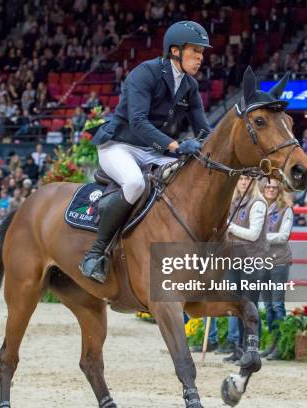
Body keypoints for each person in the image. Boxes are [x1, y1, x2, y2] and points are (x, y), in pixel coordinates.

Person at [81, 20, 212, 283]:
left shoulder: (190, 86)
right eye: (195, 52)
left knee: (183, 182)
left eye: (201, 53)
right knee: (134, 183)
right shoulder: (145, 73)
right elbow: (139, 122)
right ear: (175, 51)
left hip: (153, 150)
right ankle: (96, 253)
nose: (200, 58)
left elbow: (204, 131)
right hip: (120, 145)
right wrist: (176, 146)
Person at [217, 175, 268, 363]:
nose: (244, 182)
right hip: (235, 259)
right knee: (238, 306)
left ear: (253, 182)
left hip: (252, 260)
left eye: (247, 179)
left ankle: (252, 348)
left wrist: (230, 226)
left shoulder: (258, 203)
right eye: (241, 179)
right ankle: (240, 348)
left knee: (249, 305)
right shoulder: (234, 202)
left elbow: (253, 234)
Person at [259, 179, 293, 360]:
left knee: (278, 305)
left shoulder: (285, 209)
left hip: (279, 262)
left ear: (279, 189)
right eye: (268, 186)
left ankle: (281, 344)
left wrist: (261, 236)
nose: (270, 189)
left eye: (274, 187)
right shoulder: (258, 207)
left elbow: (284, 236)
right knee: (268, 306)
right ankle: (273, 342)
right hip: (262, 262)